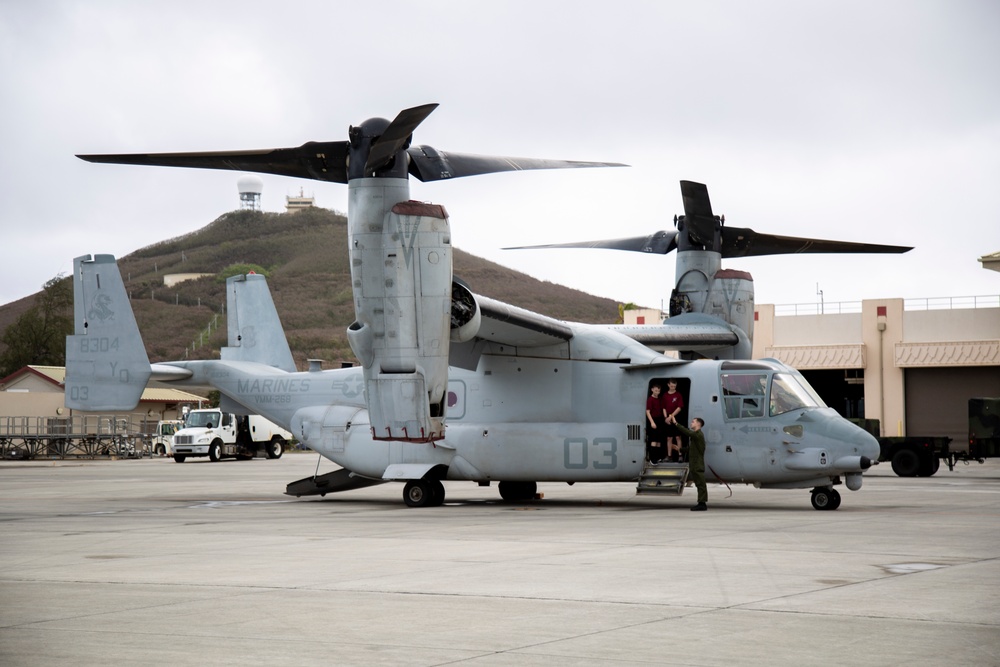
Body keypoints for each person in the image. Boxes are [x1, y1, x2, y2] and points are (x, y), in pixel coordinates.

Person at [674, 417, 707, 511]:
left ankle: (702, 504)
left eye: (693, 422)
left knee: (701, 485)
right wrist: (679, 449)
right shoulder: (696, 436)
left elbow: (687, 432)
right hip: (695, 464)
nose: (691, 423)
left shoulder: (698, 434)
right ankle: (701, 502)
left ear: (698, 424)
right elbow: (690, 449)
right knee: (699, 484)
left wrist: (676, 423)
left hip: (697, 464)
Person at [662, 379, 685, 462]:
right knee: (669, 438)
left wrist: (671, 416)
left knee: (678, 437)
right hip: (667, 418)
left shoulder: (678, 395)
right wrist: (665, 418)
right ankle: (669, 456)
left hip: (676, 417)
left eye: (674, 386)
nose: (673, 387)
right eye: (671, 386)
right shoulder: (665, 395)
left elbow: (679, 408)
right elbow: (663, 408)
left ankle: (680, 455)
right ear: (668, 385)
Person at [645, 384, 666, 464]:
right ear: (652, 389)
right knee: (653, 439)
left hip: (660, 420)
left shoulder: (660, 399)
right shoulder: (650, 399)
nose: (657, 392)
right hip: (654, 420)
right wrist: (652, 422)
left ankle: (658, 457)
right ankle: (652, 458)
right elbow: (648, 412)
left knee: (659, 440)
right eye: (656, 390)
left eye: (659, 391)